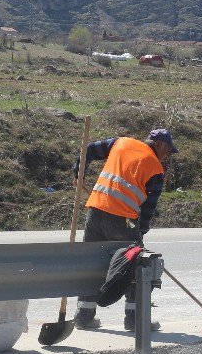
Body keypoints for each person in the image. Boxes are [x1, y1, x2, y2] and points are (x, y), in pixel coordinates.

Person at [72, 128, 178, 330]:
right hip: (123, 220)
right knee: (137, 265)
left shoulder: (120, 143)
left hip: (95, 211)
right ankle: (134, 319)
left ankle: (84, 317)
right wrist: (140, 235)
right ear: (159, 144)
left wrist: (79, 173)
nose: (168, 156)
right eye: (168, 150)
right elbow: (148, 210)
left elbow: (88, 150)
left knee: (91, 263)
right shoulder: (155, 169)